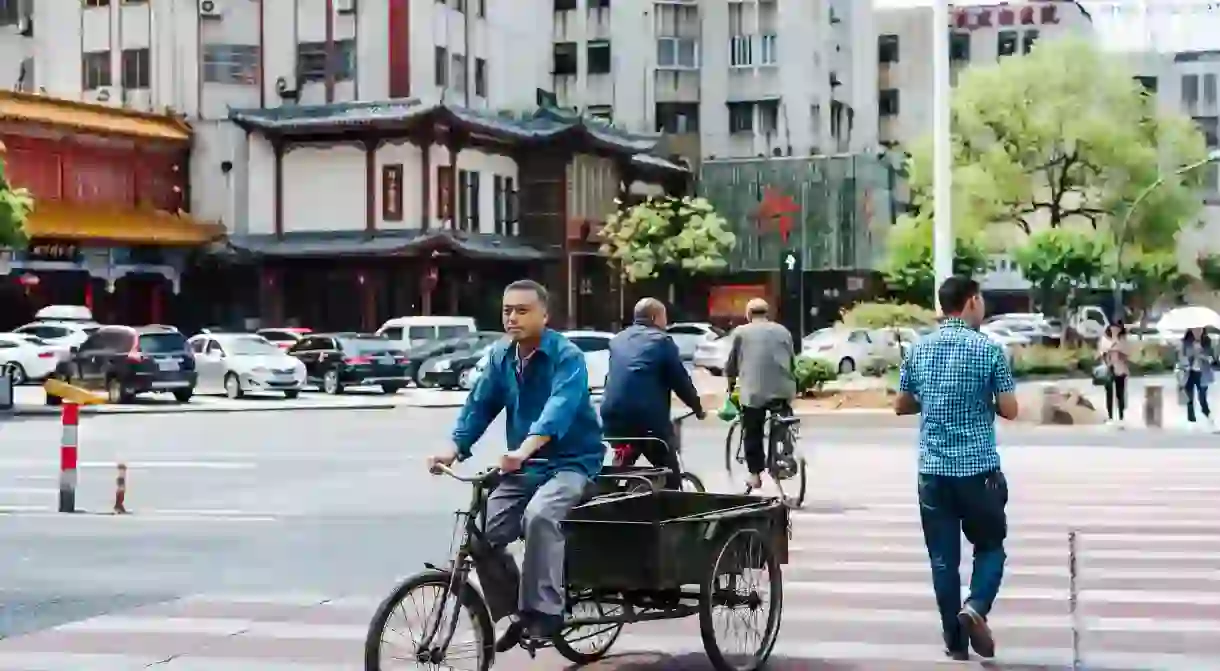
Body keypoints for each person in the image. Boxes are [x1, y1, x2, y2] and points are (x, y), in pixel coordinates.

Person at [426, 279, 605, 650]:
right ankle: (513, 611)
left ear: (545, 314)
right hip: (525, 465)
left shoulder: (566, 356)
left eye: (522, 310)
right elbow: (479, 406)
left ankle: (546, 614)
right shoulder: (500, 356)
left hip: (572, 463)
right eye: (507, 310)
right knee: (479, 531)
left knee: (540, 516)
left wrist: (524, 450)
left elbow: (559, 409)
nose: (512, 317)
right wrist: (453, 447)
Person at [894, 276, 1019, 661]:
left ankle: (954, 640)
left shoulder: (919, 349)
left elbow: (901, 405)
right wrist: (984, 403)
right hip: (978, 472)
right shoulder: (989, 350)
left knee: (943, 560)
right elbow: (1011, 409)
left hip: (933, 473)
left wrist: (931, 403)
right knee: (990, 547)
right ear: (971, 302)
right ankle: (976, 606)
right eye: (980, 300)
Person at [600, 298, 706, 489]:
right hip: (647, 418)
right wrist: (697, 407)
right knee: (669, 471)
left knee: (623, 459)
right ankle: (674, 507)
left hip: (612, 414)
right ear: (656, 317)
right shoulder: (662, 341)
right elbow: (680, 380)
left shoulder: (618, 340)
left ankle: (606, 492)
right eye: (665, 317)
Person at [725, 298, 796, 492]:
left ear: (748, 315)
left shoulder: (741, 332)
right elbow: (792, 360)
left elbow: (731, 364)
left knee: (752, 429)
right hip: (784, 389)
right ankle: (784, 453)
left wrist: (731, 386)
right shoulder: (783, 331)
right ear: (768, 314)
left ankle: (755, 475)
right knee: (783, 420)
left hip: (754, 391)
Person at [1179, 327, 1215, 431]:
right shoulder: (1186, 342)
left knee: (1202, 398)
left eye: (1200, 330)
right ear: (1191, 330)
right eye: (1195, 330)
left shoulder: (1207, 341)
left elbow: (1211, 358)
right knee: (1189, 398)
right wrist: (1190, 353)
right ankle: (1191, 420)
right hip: (1189, 373)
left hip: (1202, 373)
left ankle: (1208, 415)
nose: (1198, 332)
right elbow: (1182, 357)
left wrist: (1201, 353)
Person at [1096, 322, 1131, 427]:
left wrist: (1115, 343)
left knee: (1120, 394)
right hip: (1108, 369)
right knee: (1109, 393)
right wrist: (1111, 349)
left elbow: (1126, 352)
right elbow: (1101, 352)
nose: (1115, 330)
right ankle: (1110, 416)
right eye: (1113, 328)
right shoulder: (1105, 339)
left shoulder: (1123, 339)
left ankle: (1121, 416)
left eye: (1117, 328)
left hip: (1121, 369)